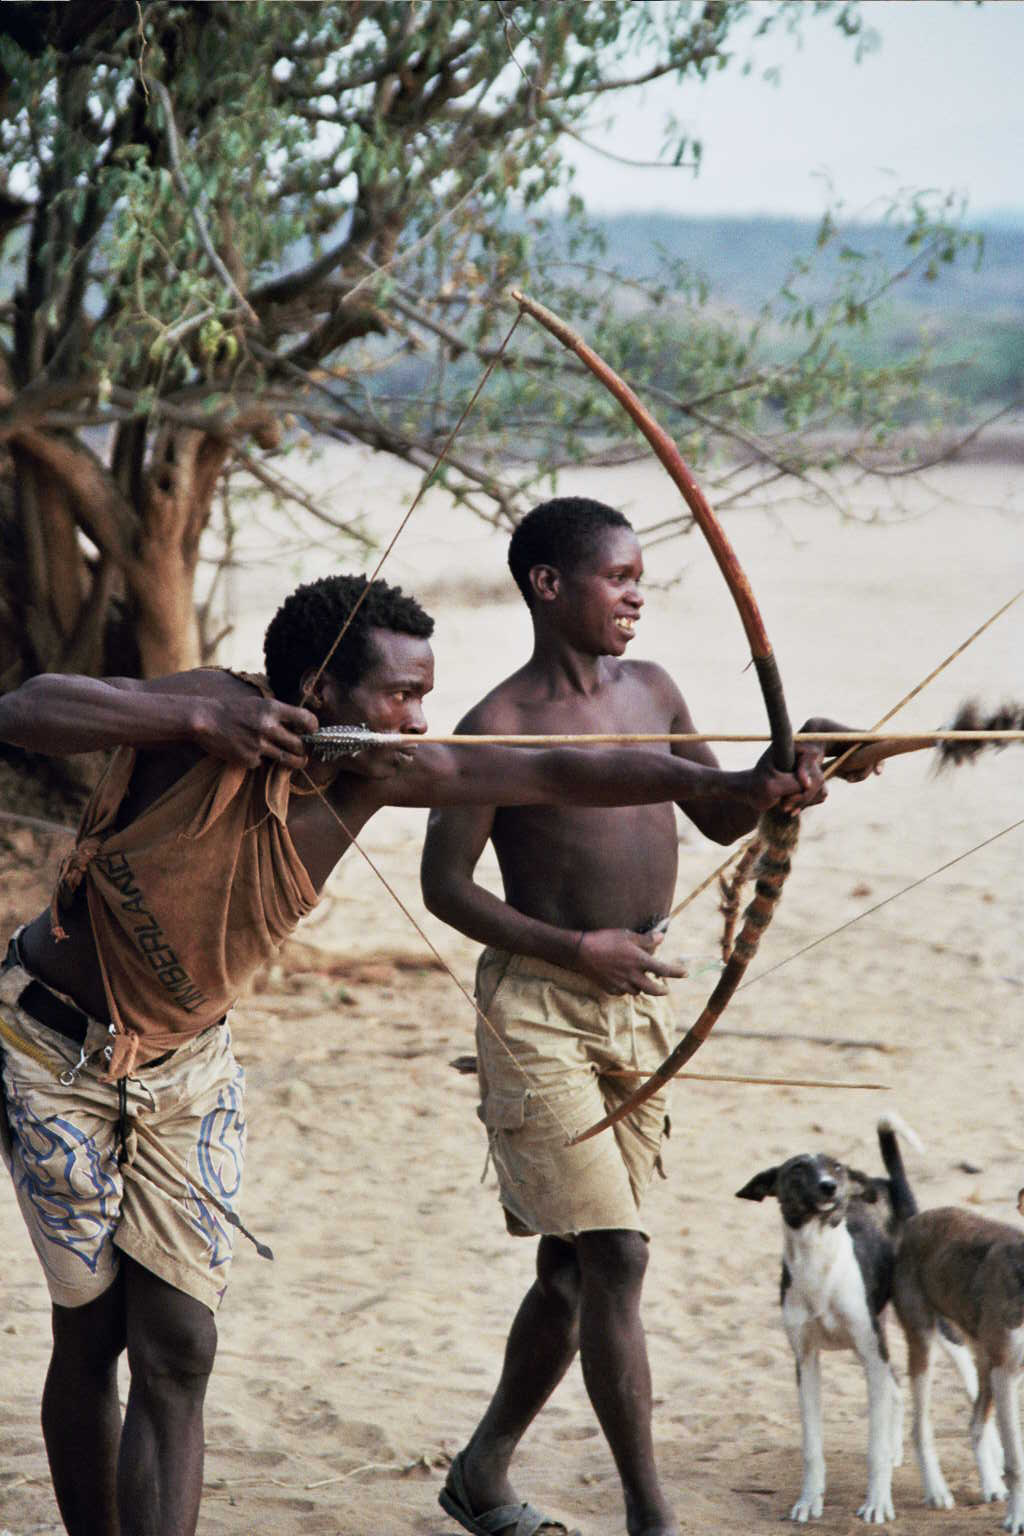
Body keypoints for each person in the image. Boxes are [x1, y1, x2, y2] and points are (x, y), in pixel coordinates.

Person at [0, 570, 825, 1536]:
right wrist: (186, 724)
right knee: (92, 1337)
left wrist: (723, 782)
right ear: (316, 690)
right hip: (52, 1045)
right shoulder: (215, 710)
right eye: (399, 695)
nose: (418, 718)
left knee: (179, 1344)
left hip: (186, 1069)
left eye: (426, 694)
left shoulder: (386, 771)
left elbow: (554, 772)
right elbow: (25, 707)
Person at [420, 498, 868, 1536]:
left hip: (636, 1001)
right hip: (539, 1002)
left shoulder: (654, 688)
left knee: (573, 1266)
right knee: (615, 1255)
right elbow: (445, 884)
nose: (634, 597)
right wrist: (576, 947)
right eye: (616, 578)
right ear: (547, 585)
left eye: (639, 580)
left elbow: (713, 807)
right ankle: (650, 1518)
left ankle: (481, 1473)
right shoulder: (497, 724)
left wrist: (789, 777)